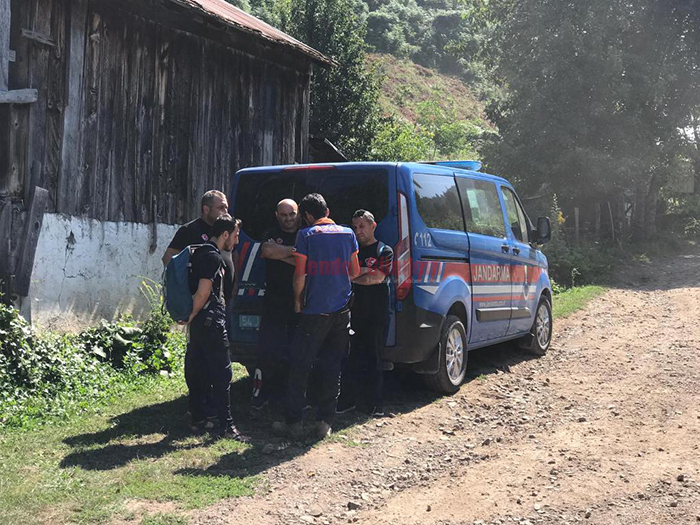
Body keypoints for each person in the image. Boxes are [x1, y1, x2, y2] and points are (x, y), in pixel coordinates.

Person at [272, 193, 361, 440]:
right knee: (332, 366)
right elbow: (354, 271)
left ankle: (294, 423)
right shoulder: (348, 233)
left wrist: (297, 302)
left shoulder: (306, 235)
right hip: (342, 311)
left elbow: (300, 275)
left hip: (314, 312)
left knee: (300, 366)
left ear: (307, 216)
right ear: (327, 211)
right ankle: (325, 422)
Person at [182, 214, 249, 441]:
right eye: (235, 236)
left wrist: (192, 318)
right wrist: (191, 315)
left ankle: (198, 420)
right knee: (223, 373)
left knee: (198, 370)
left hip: (200, 323)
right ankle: (227, 426)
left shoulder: (199, 252)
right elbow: (203, 291)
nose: (236, 241)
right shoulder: (212, 257)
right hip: (210, 321)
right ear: (225, 234)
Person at [338, 209, 394, 417]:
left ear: (373, 226)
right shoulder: (352, 250)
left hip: (376, 314)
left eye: (362, 226)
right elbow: (347, 273)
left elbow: (377, 278)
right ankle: (347, 401)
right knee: (349, 358)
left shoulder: (384, 250)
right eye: (355, 227)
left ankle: (375, 405)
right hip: (353, 312)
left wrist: (355, 275)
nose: (358, 231)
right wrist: (362, 272)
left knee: (374, 358)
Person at [251, 199, 299, 412]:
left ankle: (289, 396)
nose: (288, 219)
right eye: (284, 215)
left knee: (295, 352)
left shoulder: (305, 233)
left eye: (292, 214)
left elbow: (307, 262)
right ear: (277, 215)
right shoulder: (270, 232)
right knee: (268, 350)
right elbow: (267, 251)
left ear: (298, 213)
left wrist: (282, 254)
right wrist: (295, 253)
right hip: (274, 300)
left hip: (298, 301)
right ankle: (262, 395)